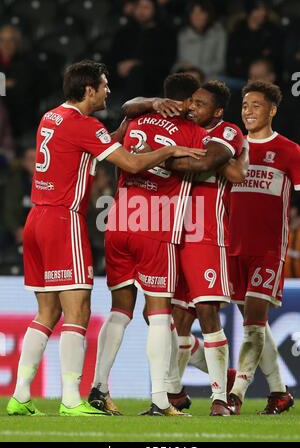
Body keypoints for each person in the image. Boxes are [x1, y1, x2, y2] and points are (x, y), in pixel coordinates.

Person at [6, 60, 199, 417]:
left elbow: (91, 150)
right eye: (105, 85)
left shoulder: (51, 117)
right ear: (89, 90)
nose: (109, 91)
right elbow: (133, 164)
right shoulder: (85, 125)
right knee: (78, 310)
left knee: (46, 312)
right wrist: (169, 150)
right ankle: (70, 400)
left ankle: (19, 396)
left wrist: (123, 128)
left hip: (37, 218)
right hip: (65, 219)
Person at [88, 73, 236, 417]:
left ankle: (99, 387)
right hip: (156, 227)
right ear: (185, 103)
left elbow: (116, 134)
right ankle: (159, 399)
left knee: (120, 311)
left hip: (119, 220)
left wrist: (143, 147)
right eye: (194, 102)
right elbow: (205, 164)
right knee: (158, 316)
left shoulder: (136, 117)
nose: (196, 107)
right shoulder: (195, 133)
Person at [164, 81, 246, 416]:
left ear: (217, 111)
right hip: (173, 233)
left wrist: (163, 158)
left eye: (200, 104)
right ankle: (174, 393)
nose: (192, 107)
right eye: (191, 102)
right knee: (173, 319)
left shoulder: (228, 132)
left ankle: (219, 399)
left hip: (207, 236)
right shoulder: (184, 129)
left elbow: (204, 164)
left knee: (208, 313)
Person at [227, 80, 299, 415]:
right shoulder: (231, 147)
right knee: (258, 325)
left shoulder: (289, 151)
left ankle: (236, 394)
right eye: (245, 105)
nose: (248, 111)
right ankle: (279, 393)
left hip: (269, 249)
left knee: (254, 322)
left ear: (272, 110)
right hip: (232, 247)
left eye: (256, 105)